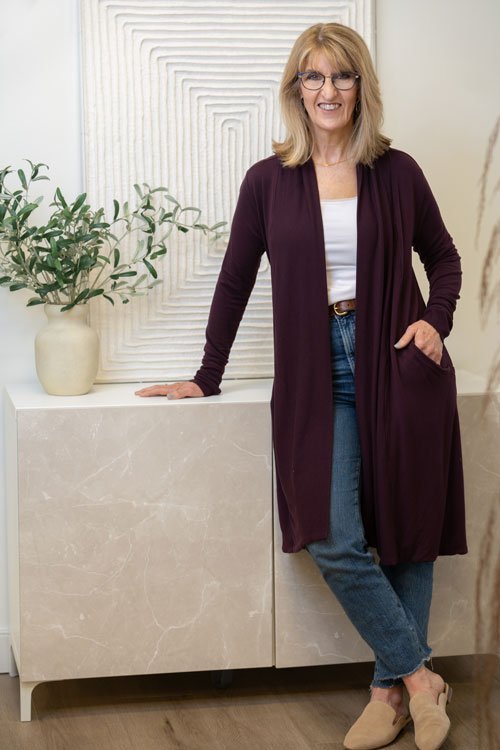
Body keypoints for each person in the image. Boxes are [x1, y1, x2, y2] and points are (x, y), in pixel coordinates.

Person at [136, 22, 466, 750]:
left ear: (361, 88)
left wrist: (436, 323)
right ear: (296, 89)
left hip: (400, 362)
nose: (328, 91)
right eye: (313, 78)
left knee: (408, 536)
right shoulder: (269, 180)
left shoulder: (398, 171)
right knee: (334, 537)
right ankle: (420, 676)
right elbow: (236, 278)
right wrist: (206, 374)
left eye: (342, 77)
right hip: (319, 372)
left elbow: (443, 258)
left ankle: (386, 694)